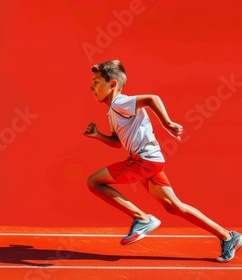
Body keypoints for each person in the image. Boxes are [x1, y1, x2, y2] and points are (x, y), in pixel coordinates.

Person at [83, 59, 241, 262]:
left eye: (96, 82)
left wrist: (167, 124)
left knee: (93, 182)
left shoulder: (119, 102)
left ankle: (142, 218)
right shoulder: (113, 110)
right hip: (149, 161)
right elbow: (116, 142)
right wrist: (98, 135)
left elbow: (152, 98)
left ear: (112, 84)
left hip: (144, 161)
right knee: (174, 206)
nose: (91, 87)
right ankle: (228, 237)